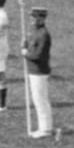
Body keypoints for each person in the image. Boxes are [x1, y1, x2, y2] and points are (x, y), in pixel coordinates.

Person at [24, 7, 56, 138]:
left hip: (39, 71)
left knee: (40, 100)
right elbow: (30, 44)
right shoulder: (34, 31)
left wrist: (26, 53)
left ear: (41, 18)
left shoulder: (44, 34)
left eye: (34, 17)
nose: (31, 19)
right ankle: (44, 128)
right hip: (33, 70)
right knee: (38, 99)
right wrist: (24, 45)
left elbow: (38, 55)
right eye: (31, 17)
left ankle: (46, 129)